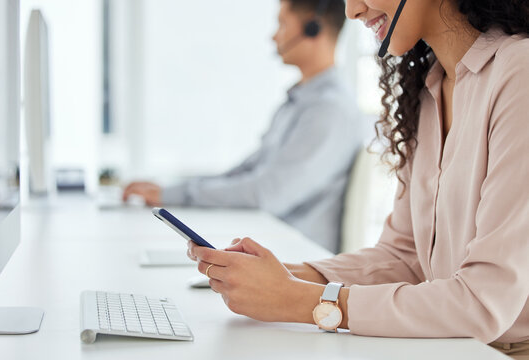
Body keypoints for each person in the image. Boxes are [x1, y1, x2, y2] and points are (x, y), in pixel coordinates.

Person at [187, 0, 529, 358]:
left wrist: (301, 300)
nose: (351, 11)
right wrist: (286, 276)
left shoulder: (518, 73)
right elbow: (405, 258)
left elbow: (484, 301)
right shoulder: (428, 86)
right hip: (449, 346)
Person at [123, 0, 364, 253]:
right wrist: (169, 190)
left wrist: (175, 195)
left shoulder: (328, 110)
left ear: (313, 28)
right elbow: (242, 174)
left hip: (292, 258)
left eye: (282, 24)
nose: (273, 36)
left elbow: (265, 194)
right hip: (265, 242)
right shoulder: (299, 102)